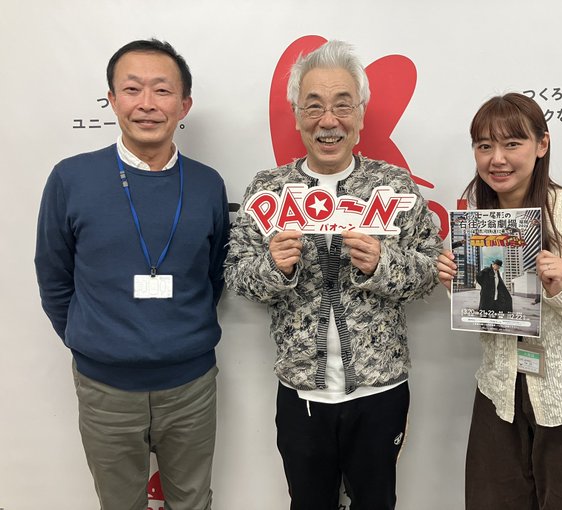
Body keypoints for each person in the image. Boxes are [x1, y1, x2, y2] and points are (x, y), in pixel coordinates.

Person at [224, 40, 441, 510]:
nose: (329, 120)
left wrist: (381, 265)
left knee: (376, 502)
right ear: (297, 116)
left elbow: (431, 271)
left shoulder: (392, 185)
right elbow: (237, 275)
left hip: (380, 389)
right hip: (301, 391)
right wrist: (273, 267)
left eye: (343, 105)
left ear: (360, 115)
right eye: (314, 106)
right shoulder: (269, 188)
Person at [35, 39, 229, 510]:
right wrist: (95, 341)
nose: (147, 103)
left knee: (193, 500)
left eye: (162, 90)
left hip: (190, 385)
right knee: (119, 503)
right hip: (105, 388)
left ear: (183, 105)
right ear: (112, 99)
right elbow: (54, 277)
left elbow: (214, 275)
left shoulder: (207, 184)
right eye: (132, 89)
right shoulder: (71, 179)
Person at [437, 93, 562, 510]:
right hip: (500, 396)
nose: (497, 159)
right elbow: (492, 313)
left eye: (512, 143)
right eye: (484, 146)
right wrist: (456, 286)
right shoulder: (478, 221)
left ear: (541, 145)